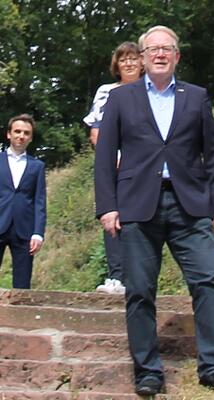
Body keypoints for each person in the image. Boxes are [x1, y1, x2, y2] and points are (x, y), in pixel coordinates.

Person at [94, 25, 214, 396]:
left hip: (190, 207)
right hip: (137, 207)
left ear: (177, 56)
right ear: (141, 58)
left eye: (167, 48)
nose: (159, 54)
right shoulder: (121, 98)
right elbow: (105, 155)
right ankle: (148, 372)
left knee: (208, 282)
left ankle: (213, 368)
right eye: (152, 49)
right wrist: (107, 207)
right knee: (140, 290)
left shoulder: (197, 97)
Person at [83, 41, 143, 294]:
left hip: (144, 166)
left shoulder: (151, 91)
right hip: (115, 165)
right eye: (123, 59)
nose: (128, 63)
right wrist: (114, 158)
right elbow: (96, 132)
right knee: (112, 217)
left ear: (142, 62)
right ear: (116, 65)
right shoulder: (106, 91)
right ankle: (116, 276)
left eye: (133, 58)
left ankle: (139, 276)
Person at [0, 114, 46, 289]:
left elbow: (40, 202)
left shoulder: (37, 166)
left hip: (24, 229)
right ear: (9, 134)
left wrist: (38, 233)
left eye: (26, 133)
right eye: (17, 131)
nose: (21, 136)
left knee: (22, 285)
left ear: (30, 137)